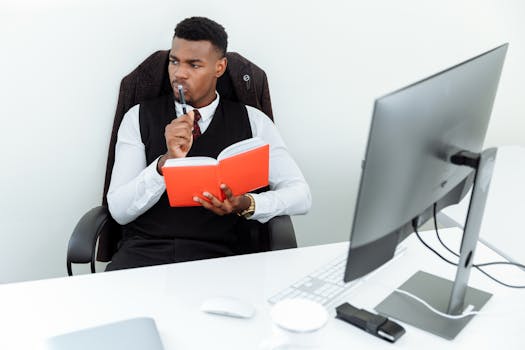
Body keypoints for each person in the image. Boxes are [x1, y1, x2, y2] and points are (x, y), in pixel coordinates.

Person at [106, 16, 311, 271]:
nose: (179, 73)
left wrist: (248, 204)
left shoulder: (254, 122)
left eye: (194, 65)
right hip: (145, 254)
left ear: (220, 67)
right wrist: (164, 164)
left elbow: (301, 195)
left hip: (223, 258)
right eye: (174, 61)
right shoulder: (137, 117)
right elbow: (119, 210)